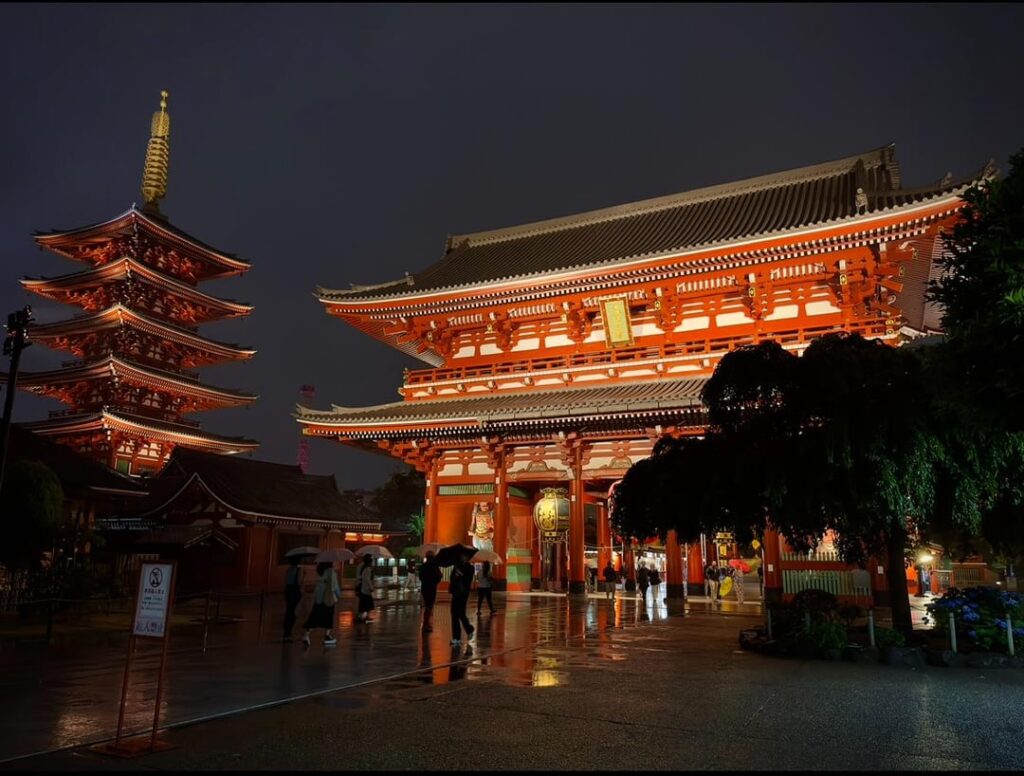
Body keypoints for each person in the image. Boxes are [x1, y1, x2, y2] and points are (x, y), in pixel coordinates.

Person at [302, 561, 340, 647]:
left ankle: (306, 635)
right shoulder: (331, 572)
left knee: (315, 617)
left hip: (318, 599)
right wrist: (338, 595)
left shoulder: (321, 572)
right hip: (328, 598)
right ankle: (327, 636)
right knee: (328, 617)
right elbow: (334, 586)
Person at [449, 552, 475, 645]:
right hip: (455, 592)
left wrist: (460, 574)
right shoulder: (456, 566)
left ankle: (469, 629)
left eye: (463, 556)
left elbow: (468, 580)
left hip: (463, 593)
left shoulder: (470, 567)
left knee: (461, 613)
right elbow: (451, 578)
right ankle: (456, 638)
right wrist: (455, 575)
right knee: (454, 615)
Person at [419, 550, 443, 632]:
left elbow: (420, 577)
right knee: (429, 607)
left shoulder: (423, 566)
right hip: (431, 588)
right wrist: (435, 581)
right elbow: (439, 576)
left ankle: (426, 624)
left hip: (424, 588)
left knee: (427, 606)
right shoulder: (434, 566)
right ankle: (425, 625)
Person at [282, 556, 304, 642]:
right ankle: (289, 632)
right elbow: (299, 582)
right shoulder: (299, 570)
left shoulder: (288, 570)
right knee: (293, 612)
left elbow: (285, 581)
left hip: (288, 590)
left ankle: (286, 632)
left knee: (289, 610)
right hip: (295, 591)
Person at [356, 554, 375, 623]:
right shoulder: (367, 568)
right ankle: (364, 616)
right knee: (366, 602)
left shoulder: (362, 566)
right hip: (364, 587)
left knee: (363, 602)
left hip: (361, 586)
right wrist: (371, 587)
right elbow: (367, 579)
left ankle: (362, 616)